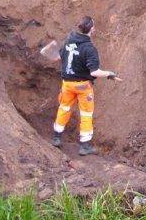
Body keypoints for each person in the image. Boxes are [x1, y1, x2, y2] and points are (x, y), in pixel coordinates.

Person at [50, 16, 117, 156]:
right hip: (83, 86)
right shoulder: (89, 48)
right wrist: (109, 73)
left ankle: (56, 138)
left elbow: (58, 57)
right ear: (91, 29)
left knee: (64, 108)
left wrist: (49, 50)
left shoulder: (69, 41)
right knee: (86, 114)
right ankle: (84, 146)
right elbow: (94, 71)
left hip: (67, 84)